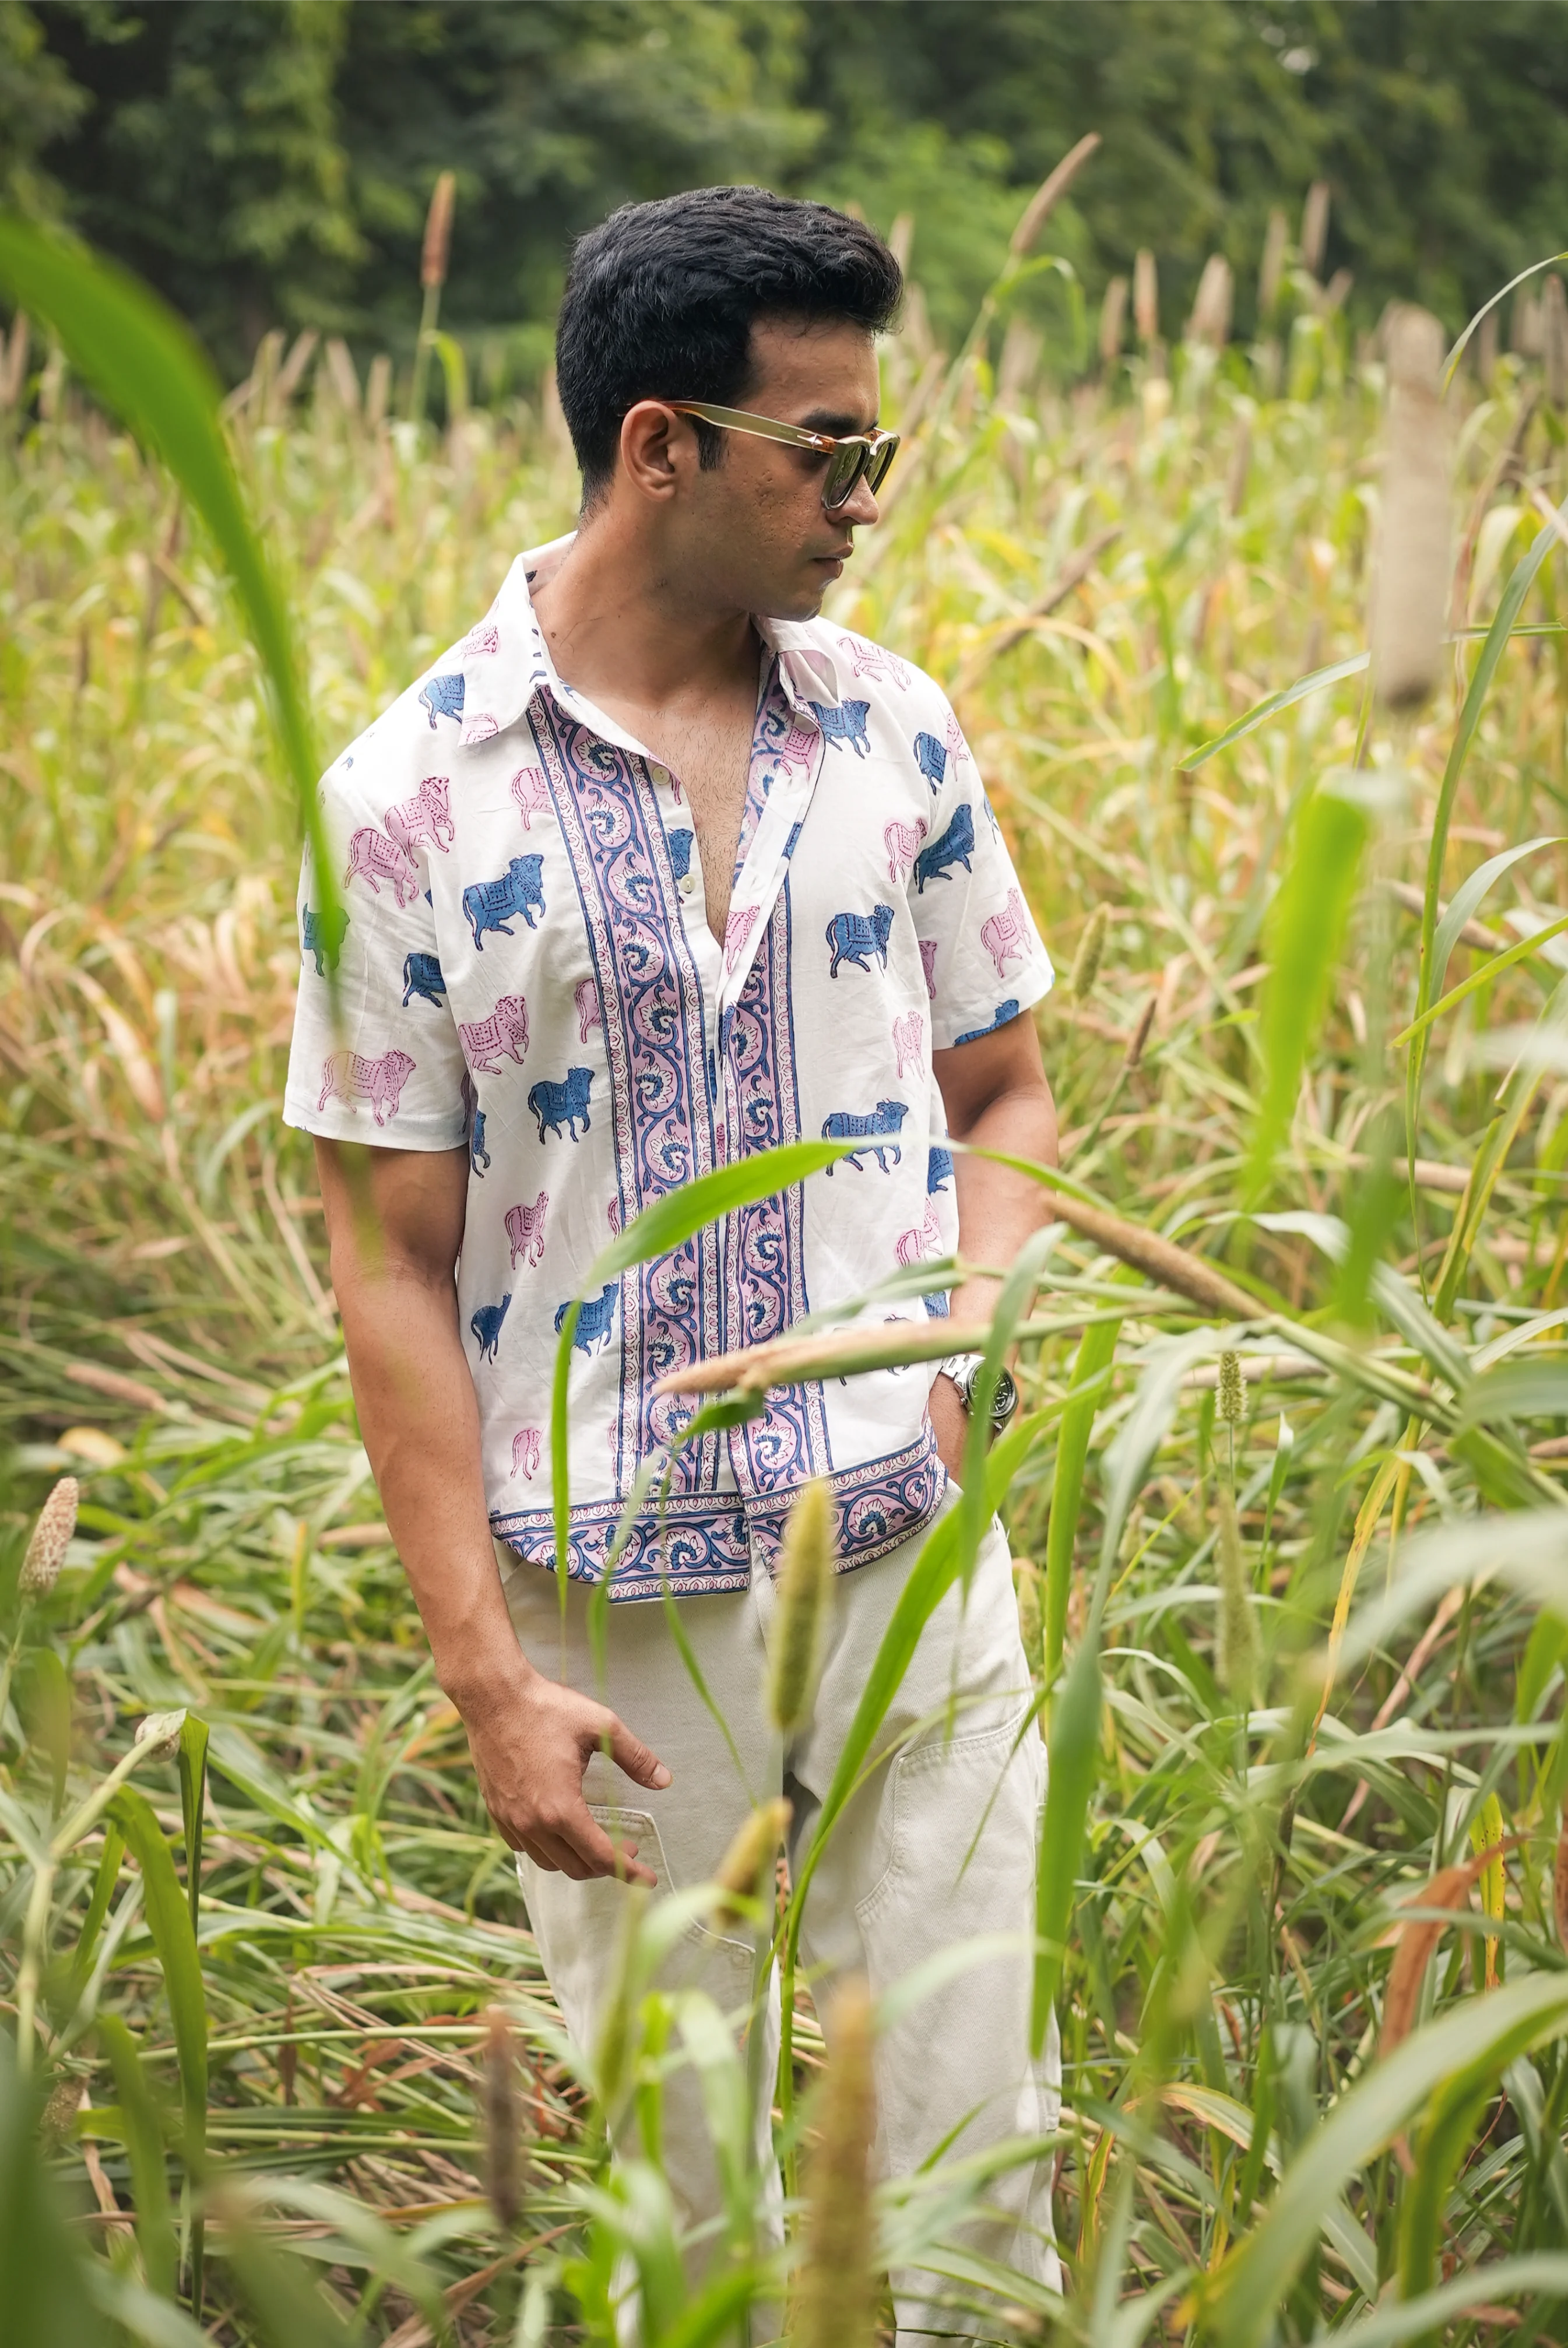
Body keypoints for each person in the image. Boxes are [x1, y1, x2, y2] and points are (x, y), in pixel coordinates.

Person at [285, 184, 1061, 2334]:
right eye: (829, 450)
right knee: (700, 2232)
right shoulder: (405, 806)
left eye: (870, 451)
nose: (864, 500)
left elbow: (1012, 1096)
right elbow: (387, 1269)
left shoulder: (895, 728)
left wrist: (959, 1338)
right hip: (616, 1634)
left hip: (918, 1569)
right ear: (663, 446)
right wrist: (483, 1678)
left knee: (978, 2191)